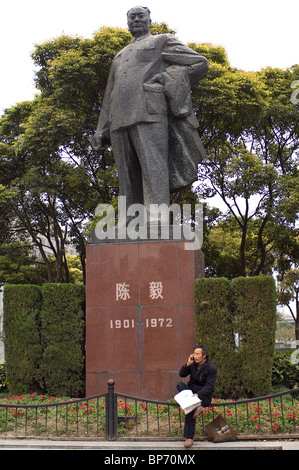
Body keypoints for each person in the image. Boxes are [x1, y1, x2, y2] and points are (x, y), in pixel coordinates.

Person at [92, 6, 209, 224]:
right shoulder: (119, 55)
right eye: (131, 17)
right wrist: (101, 129)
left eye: (140, 16)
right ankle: (130, 221)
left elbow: (199, 63)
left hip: (149, 111)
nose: (136, 19)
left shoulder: (161, 41)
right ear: (127, 23)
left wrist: (164, 79)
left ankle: (157, 221)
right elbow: (109, 94)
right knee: (126, 176)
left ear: (148, 20)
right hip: (118, 118)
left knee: (153, 167)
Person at [177, 345, 217, 448]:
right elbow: (182, 374)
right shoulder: (193, 364)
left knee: (190, 408)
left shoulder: (211, 368)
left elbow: (209, 386)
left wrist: (198, 394)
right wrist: (187, 364)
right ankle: (196, 406)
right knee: (180, 385)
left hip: (204, 395)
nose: (195, 356)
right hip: (192, 393)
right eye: (194, 354)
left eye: (198, 354)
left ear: (204, 356)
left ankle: (189, 438)